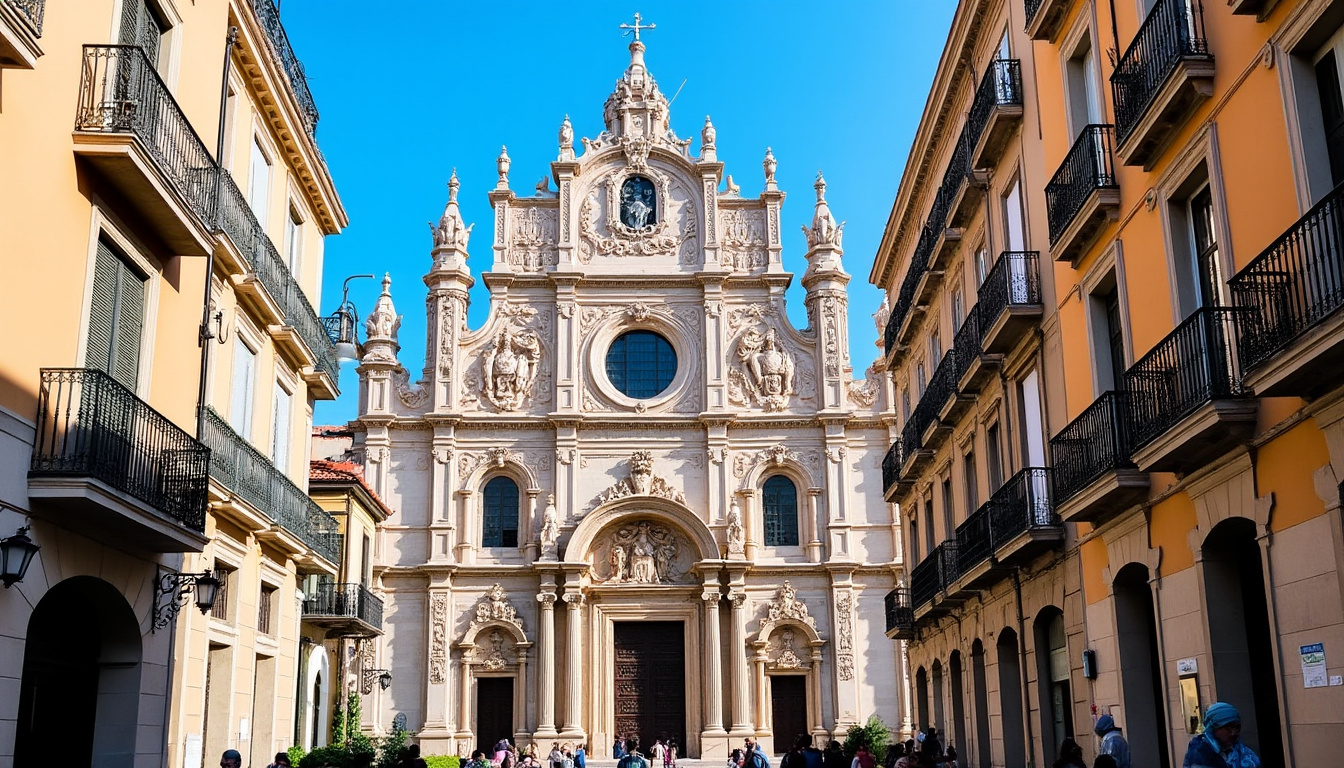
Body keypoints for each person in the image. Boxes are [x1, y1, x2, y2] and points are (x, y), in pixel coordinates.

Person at [1182, 702, 1262, 768]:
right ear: (1213, 728)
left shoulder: (1243, 752)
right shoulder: (1200, 753)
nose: (1234, 732)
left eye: (1237, 727)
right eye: (1228, 728)